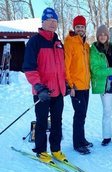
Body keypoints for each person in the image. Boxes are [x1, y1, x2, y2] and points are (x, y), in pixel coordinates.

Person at [23, 7, 67, 163]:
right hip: (43, 92)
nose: (53, 24)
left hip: (58, 91)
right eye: (49, 21)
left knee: (57, 121)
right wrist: (38, 87)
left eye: (55, 21)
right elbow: (29, 68)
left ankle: (56, 149)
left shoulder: (59, 42)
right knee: (41, 122)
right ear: (43, 22)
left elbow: (62, 66)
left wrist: (65, 83)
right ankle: (41, 151)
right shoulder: (35, 42)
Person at [64, 15, 92, 155]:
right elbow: (66, 66)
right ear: (74, 28)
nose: (80, 29)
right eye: (78, 27)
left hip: (85, 86)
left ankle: (82, 139)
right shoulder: (70, 42)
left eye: (82, 27)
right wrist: (70, 86)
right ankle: (77, 144)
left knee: (83, 114)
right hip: (76, 87)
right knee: (79, 115)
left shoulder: (86, 45)